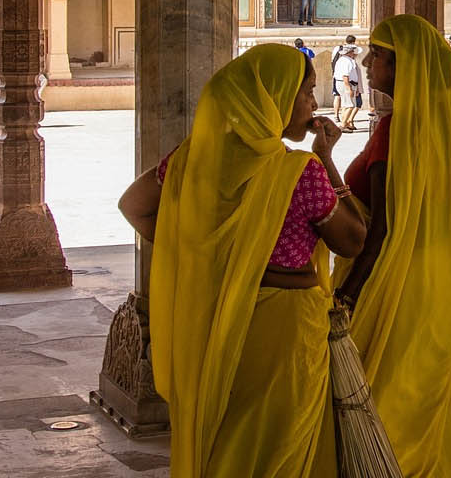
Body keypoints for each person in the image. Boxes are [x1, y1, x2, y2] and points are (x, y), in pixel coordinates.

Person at [120, 43, 366, 477]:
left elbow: (134, 207)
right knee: (279, 447)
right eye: (306, 92)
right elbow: (351, 240)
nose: (313, 104)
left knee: (227, 435)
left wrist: (206, 252)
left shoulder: (194, 160)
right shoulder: (299, 172)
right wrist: (327, 158)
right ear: (272, 98)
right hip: (284, 329)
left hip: (215, 316)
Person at [335, 15, 451, 478]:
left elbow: (383, 228)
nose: (367, 62)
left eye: (378, 55)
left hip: (394, 279)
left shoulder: (395, 130)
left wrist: (348, 295)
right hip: (437, 280)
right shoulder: (445, 128)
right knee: (420, 390)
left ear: (404, 66)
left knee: (385, 395)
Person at [333, 45, 363, 132]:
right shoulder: (347, 61)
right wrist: (348, 88)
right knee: (350, 105)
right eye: (353, 51)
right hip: (346, 84)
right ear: (349, 52)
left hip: (342, 83)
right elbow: (345, 75)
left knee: (345, 105)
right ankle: (342, 125)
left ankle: (345, 124)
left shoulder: (341, 60)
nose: (354, 53)